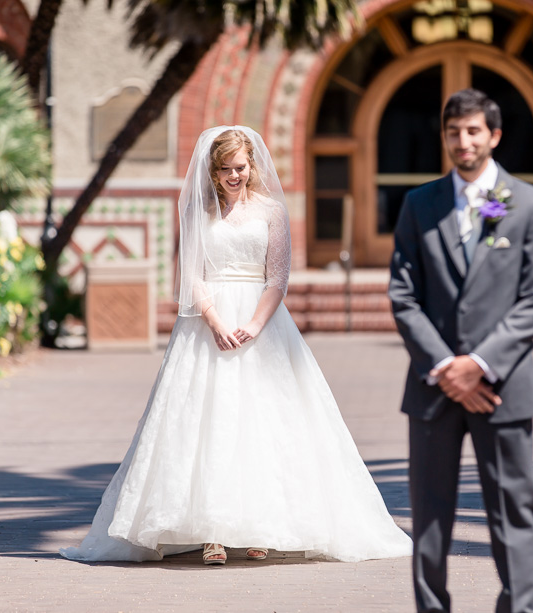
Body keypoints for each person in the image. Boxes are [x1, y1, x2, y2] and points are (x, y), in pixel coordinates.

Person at [61, 126, 411, 565]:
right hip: (208, 324)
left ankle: (258, 526)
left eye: (240, 168)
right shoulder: (197, 212)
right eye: (225, 169)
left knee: (262, 420)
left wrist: (254, 324)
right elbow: (191, 272)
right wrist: (214, 320)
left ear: (253, 166)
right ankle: (213, 533)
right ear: (213, 169)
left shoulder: (271, 211)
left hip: (261, 323)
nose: (233, 176)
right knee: (207, 423)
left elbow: (277, 276)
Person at [388, 89, 533, 612]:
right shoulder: (420, 205)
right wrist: (446, 367)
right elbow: (403, 294)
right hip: (434, 388)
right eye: (453, 132)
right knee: (430, 517)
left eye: (472, 131)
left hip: (503, 389)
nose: (463, 142)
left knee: (513, 513)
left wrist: (477, 366)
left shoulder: (532, 205)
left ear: (494, 136)